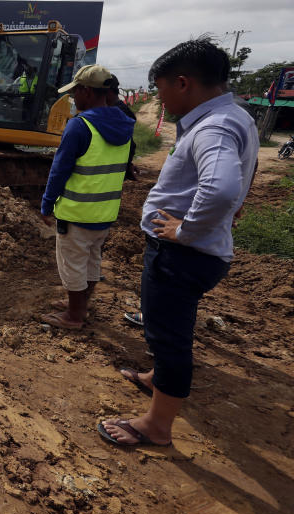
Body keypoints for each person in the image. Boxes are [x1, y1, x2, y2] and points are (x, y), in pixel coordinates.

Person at [97, 39, 258, 448]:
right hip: (196, 251)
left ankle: (156, 426)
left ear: (182, 83)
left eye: (160, 89)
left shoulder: (214, 126)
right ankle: (156, 379)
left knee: (171, 338)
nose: (159, 99)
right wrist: (228, 210)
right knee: (161, 322)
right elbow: (241, 177)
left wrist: (186, 230)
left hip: (183, 253)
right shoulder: (235, 117)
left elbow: (220, 189)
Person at [40, 65, 135, 329]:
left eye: (74, 92)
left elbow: (59, 171)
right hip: (104, 214)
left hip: (77, 213)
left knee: (72, 267)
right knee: (92, 263)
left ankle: (73, 316)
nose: (72, 98)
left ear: (86, 91)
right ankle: (80, 305)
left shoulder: (79, 127)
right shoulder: (125, 126)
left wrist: (47, 204)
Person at [107, 78, 139, 179]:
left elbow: (129, 144)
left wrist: (127, 164)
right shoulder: (118, 109)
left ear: (108, 91)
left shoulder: (117, 112)